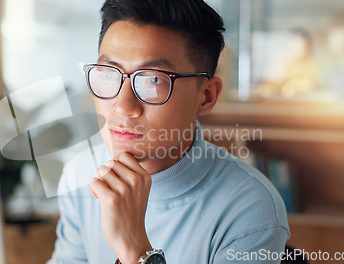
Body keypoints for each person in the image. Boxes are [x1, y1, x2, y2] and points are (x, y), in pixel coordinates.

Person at [48, 0, 290, 263]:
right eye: (109, 74)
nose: (123, 107)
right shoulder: (79, 175)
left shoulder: (250, 208)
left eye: (153, 80)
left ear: (206, 97)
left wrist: (136, 252)